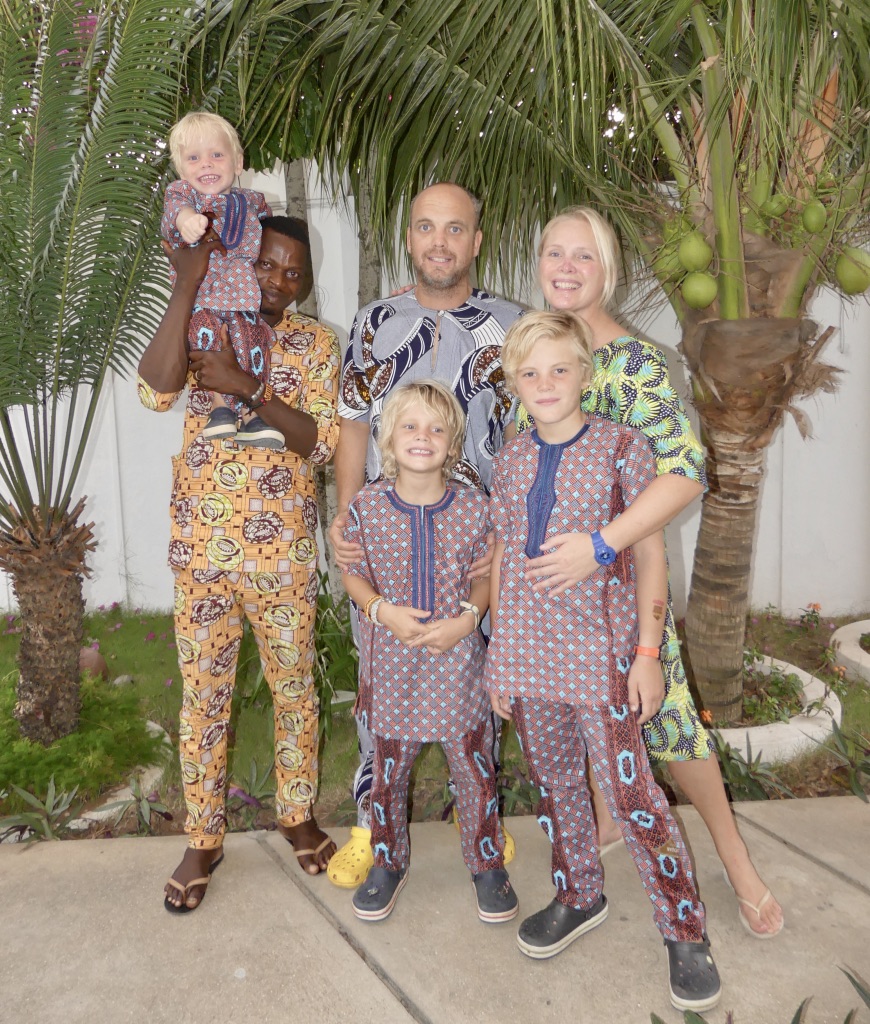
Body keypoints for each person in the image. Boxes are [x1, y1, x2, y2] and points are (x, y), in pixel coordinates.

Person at [511, 205, 783, 939]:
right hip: (554, 601)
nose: (566, 268)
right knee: (581, 719)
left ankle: (736, 861)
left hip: (626, 590)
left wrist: (601, 546)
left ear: (609, 269)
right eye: (554, 252)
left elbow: (686, 474)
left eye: (584, 256)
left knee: (667, 720)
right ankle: (606, 820)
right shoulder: (537, 353)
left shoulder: (634, 364)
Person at [487, 310, 721, 1012]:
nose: (546, 383)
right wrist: (499, 656)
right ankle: (578, 893)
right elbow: (503, 560)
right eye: (530, 373)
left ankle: (684, 929)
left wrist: (647, 655)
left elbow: (649, 553)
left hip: (601, 659)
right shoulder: (510, 457)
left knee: (633, 798)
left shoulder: (623, 448)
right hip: (530, 661)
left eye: (560, 368)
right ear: (514, 384)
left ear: (584, 374)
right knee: (557, 786)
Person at [138, 215, 341, 911]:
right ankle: (203, 838)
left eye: (293, 273)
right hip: (203, 553)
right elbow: (154, 392)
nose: (278, 281)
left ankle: (297, 815)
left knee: (295, 692)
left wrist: (247, 386)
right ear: (240, 260)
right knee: (204, 698)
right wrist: (186, 285)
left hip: (283, 557)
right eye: (265, 264)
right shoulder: (204, 323)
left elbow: (320, 443)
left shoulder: (316, 343)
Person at [327, 182, 524, 888]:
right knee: (378, 681)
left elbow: (528, 430)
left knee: (478, 685)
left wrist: (513, 538)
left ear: (476, 240)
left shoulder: (511, 324)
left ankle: (482, 822)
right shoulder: (375, 322)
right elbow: (353, 422)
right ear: (410, 237)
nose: (440, 242)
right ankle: (370, 826)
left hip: (478, 546)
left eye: (455, 228)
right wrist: (345, 516)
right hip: (386, 542)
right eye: (426, 227)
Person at [342, 379, 518, 924]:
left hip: (458, 663)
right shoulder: (367, 507)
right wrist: (382, 611)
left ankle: (486, 862)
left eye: (437, 428)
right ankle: (387, 861)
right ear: (388, 440)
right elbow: (353, 573)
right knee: (388, 775)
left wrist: (467, 620)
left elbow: (486, 577)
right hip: (392, 667)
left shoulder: (475, 509)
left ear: (453, 443)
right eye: (411, 426)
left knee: (474, 769)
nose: (423, 436)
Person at [162, 111, 283, 449]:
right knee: (209, 341)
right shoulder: (184, 196)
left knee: (251, 344)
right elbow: (175, 212)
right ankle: (219, 408)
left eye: (217, 154)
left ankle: (250, 412)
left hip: (244, 299)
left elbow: (272, 235)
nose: (206, 164)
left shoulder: (253, 201)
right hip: (203, 297)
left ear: (238, 162)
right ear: (181, 170)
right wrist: (187, 221)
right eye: (194, 158)